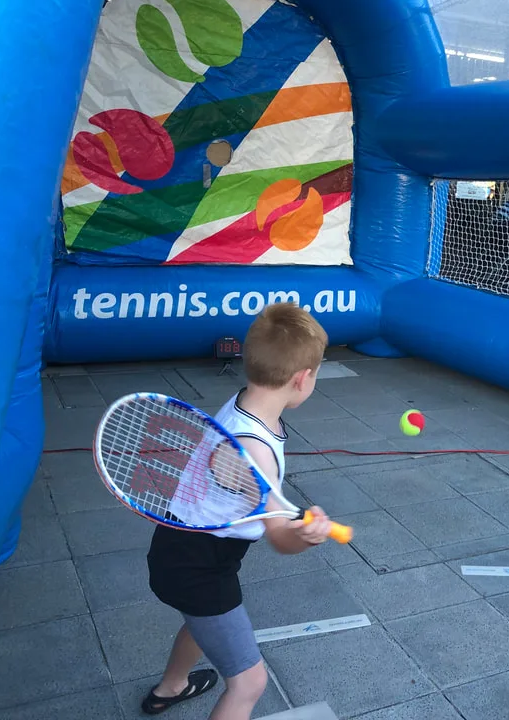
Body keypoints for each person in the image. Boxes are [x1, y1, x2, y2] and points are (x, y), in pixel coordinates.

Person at [141, 302, 336, 717]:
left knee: (201, 624)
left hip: (182, 548)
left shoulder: (245, 402)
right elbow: (281, 539)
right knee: (249, 683)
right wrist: (306, 536)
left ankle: (171, 687)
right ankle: (175, 686)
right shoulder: (255, 453)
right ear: (303, 379)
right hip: (200, 565)